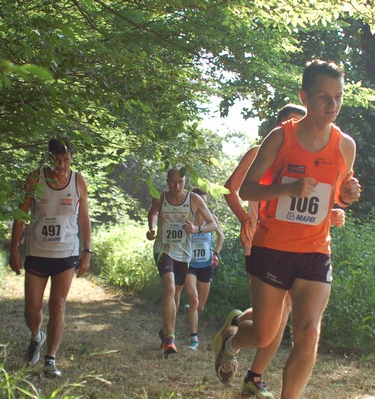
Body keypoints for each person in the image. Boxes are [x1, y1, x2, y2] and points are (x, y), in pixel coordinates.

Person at [214, 59, 360, 398]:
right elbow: (246, 189)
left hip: (315, 250)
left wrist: (348, 197)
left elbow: (338, 193)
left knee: (308, 332)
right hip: (273, 248)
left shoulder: (345, 145)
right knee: (265, 335)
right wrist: (286, 189)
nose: (332, 104)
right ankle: (231, 342)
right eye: (324, 96)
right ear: (304, 97)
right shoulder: (281, 138)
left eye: (338, 96)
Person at [9, 138, 92, 378]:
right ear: (49, 158)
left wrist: (87, 251)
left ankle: (50, 359)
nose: (62, 165)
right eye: (57, 159)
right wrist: (14, 247)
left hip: (66, 252)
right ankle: (36, 336)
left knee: (58, 305)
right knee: (32, 309)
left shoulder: (78, 181)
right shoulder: (35, 178)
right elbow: (21, 213)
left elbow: (84, 218)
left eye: (66, 160)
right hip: (37, 252)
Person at [146, 167, 218, 356]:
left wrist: (196, 229)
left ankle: (166, 330)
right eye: (172, 182)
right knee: (169, 288)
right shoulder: (161, 197)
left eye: (180, 181)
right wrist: (152, 228)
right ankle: (171, 337)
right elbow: (152, 212)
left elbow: (213, 224)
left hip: (185, 253)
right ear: (167, 181)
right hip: (164, 249)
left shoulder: (194, 199)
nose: (176, 186)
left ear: (185, 181)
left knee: (176, 294)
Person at [183, 187, 224, 351]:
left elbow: (221, 236)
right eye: (200, 202)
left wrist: (216, 254)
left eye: (205, 203)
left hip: (206, 266)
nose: (203, 206)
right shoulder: (187, 218)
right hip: (190, 265)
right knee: (194, 299)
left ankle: (191, 310)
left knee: (200, 307)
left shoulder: (211, 218)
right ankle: (194, 338)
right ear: (194, 203)